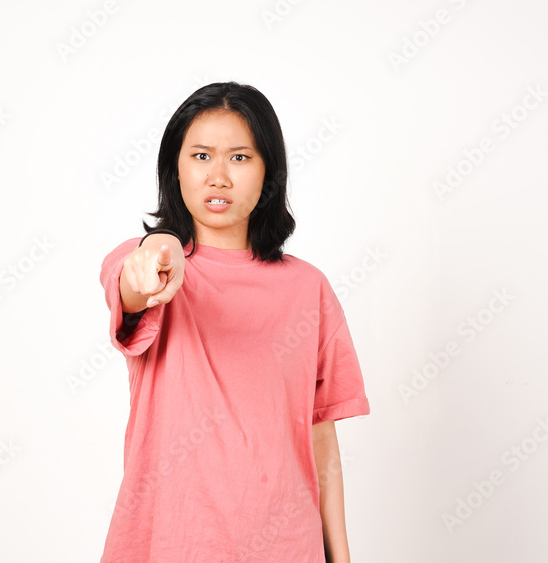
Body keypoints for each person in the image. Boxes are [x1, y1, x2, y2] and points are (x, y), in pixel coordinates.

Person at [98, 81, 370, 562]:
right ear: (175, 170)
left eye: (240, 158)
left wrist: (341, 556)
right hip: (169, 544)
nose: (218, 176)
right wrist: (157, 253)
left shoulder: (309, 289)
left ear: (269, 173)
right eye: (201, 156)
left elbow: (319, 436)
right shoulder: (151, 265)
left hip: (285, 546)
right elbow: (137, 279)